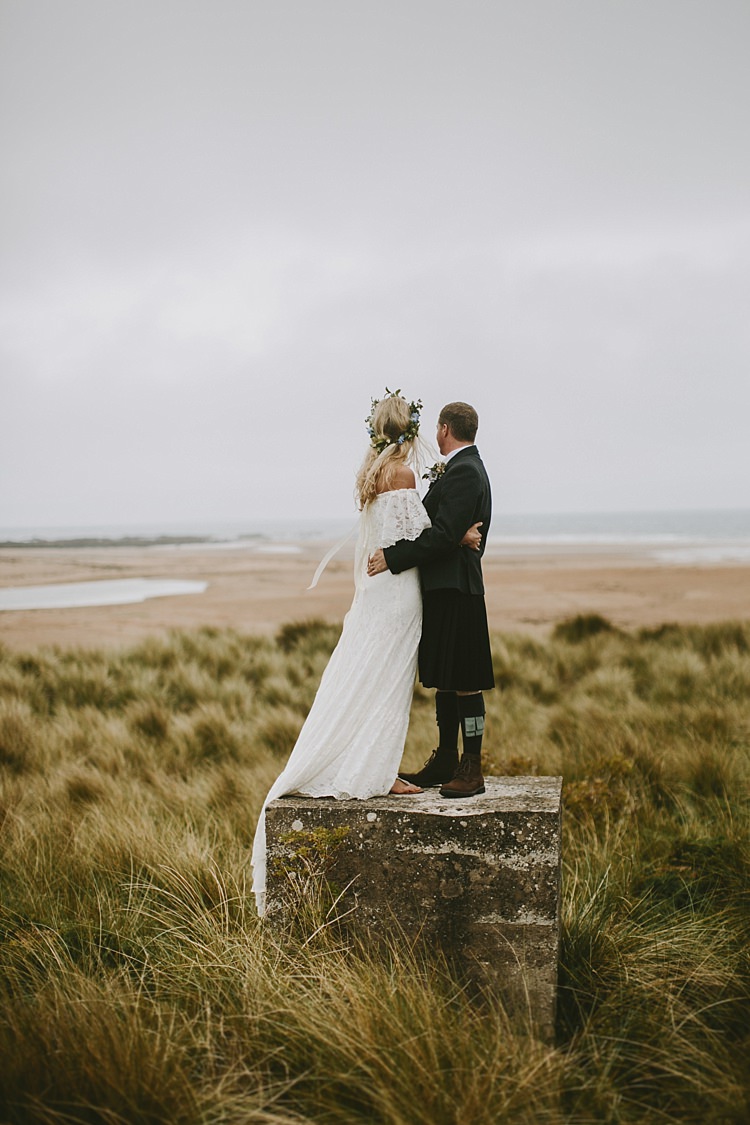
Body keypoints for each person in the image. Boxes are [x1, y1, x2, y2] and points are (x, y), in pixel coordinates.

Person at [251, 390, 481, 913]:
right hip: (399, 594)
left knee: (369, 671)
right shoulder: (400, 475)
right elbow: (418, 533)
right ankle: (377, 772)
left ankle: (372, 761)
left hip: (380, 592)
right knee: (389, 678)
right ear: (410, 430)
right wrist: (461, 536)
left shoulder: (374, 473)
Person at [367, 401, 494, 799]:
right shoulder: (460, 469)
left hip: (458, 590)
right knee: (448, 679)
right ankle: (445, 759)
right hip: (445, 587)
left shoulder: (465, 472)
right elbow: (444, 529)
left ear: (443, 429)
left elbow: (439, 534)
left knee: (466, 682)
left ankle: (470, 767)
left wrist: (393, 557)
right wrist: (458, 535)